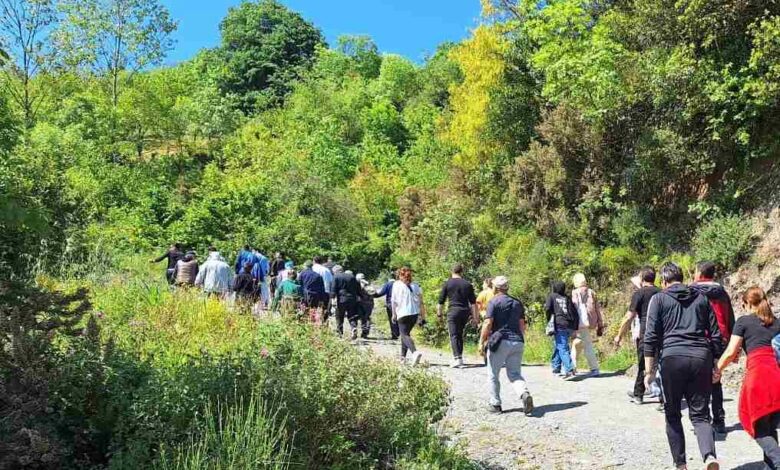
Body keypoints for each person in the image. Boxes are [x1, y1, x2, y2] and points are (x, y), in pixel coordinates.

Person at [643, 262, 722, 470]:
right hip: (700, 358)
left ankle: (681, 465)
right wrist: (716, 363)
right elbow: (715, 334)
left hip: (672, 358)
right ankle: (709, 456)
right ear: (682, 278)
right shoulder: (702, 298)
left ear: (664, 281)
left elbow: (650, 336)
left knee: (672, 413)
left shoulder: (658, 299)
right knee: (700, 414)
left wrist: (648, 371)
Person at [717, 286, 780, 469]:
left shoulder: (743, 322)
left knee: (758, 428)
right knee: (769, 428)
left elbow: (730, 352)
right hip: (777, 377)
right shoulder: (777, 322)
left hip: (759, 377)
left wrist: (717, 369)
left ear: (745, 304)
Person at [690, 261, 735, 434]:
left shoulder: (692, 291)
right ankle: (719, 420)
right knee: (716, 379)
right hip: (721, 340)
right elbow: (729, 317)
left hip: (701, 338)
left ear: (700, 273)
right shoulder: (722, 292)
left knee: (698, 382)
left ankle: (704, 420)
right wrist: (732, 343)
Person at [479, 276, 533, 416]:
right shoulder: (517, 303)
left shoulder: (494, 302)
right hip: (518, 341)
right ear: (507, 288)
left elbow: (488, 323)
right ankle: (524, 393)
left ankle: (495, 404)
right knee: (515, 374)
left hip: (500, 341)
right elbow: (522, 326)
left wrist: (481, 342)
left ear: (495, 288)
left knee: (493, 374)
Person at [615, 266, 661, 404]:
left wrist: (619, 335)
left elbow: (629, 317)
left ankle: (639, 394)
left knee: (642, 363)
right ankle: (662, 396)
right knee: (659, 364)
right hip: (660, 333)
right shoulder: (662, 292)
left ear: (642, 278)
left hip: (645, 333)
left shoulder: (639, 294)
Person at [437, 264, 478, 368]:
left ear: (452, 271)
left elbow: (440, 301)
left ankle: (457, 359)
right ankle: (459, 357)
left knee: (454, 335)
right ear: (462, 272)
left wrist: (439, 315)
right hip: (465, 312)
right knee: (460, 334)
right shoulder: (468, 284)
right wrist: (475, 317)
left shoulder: (447, 283)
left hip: (453, 311)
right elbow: (473, 303)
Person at [571, 273, 605, 377]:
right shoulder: (592, 292)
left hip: (581, 323)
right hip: (591, 322)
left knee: (587, 345)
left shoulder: (575, 292)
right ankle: (572, 366)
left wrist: (572, 325)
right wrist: (600, 322)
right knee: (577, 343)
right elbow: (597, 309)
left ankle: (594, 368)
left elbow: (574, 308)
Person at [544, 281, 579, 379]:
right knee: (558, 345)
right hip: (569, 325)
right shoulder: (567, 298)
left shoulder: (552, 296)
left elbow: (547, 308)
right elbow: (574, 313)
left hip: (559, 324)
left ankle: (570, 369)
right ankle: (556, 368)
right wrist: (575, 327)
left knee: (562, 347)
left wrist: (548, 319)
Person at [391, 266, 424, 365]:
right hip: (414, 313)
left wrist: (394, 314)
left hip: (403, 313)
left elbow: (393, 301)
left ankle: (414, 352)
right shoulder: (416, 285)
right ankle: (403, 357)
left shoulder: (396, 284)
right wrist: (422, 316)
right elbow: (421, 301)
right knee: (406, 334)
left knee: (404, 334)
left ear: (400, 275)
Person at [331, 265, 361, 339]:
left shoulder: (336, 277)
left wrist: (332, 298)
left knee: (339, 316)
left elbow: (333, 289)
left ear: (335, 271)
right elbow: (358, 288)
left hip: (341, 299)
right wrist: (359, 296)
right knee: (352, 315)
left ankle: (339, 333)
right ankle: (353, 327)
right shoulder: (351, 276)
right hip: (352, 299)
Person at [373, 273, 399, 340]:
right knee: (399, 319)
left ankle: (395, 335)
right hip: (399, 304)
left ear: (389, 278)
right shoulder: (399, 284)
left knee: (392, 319)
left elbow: (381, 293)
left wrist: (373, 295)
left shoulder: (388, 284)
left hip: (390, 304)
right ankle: (401, 333)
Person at [356, 273, 374, 339]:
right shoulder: (369, 283)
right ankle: (366, 332)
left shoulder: (359, 283)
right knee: (367, 317)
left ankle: (364, 331)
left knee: (362, 317)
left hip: (362, 302)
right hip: (370, 303)